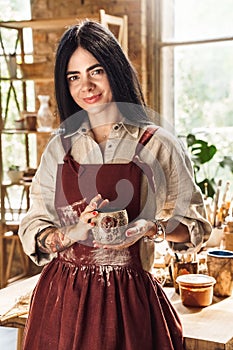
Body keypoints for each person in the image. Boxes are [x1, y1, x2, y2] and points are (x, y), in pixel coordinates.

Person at [18, 20, 211, 350]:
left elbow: (195, 226)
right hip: (60, 301)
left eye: (96, 71)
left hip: (128, 303)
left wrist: (152, 229)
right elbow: (34, 224)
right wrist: (69, 234)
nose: (86, 86)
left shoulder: (156, 144)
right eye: (73, 77)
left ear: (115, 70)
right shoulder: (59, 147)